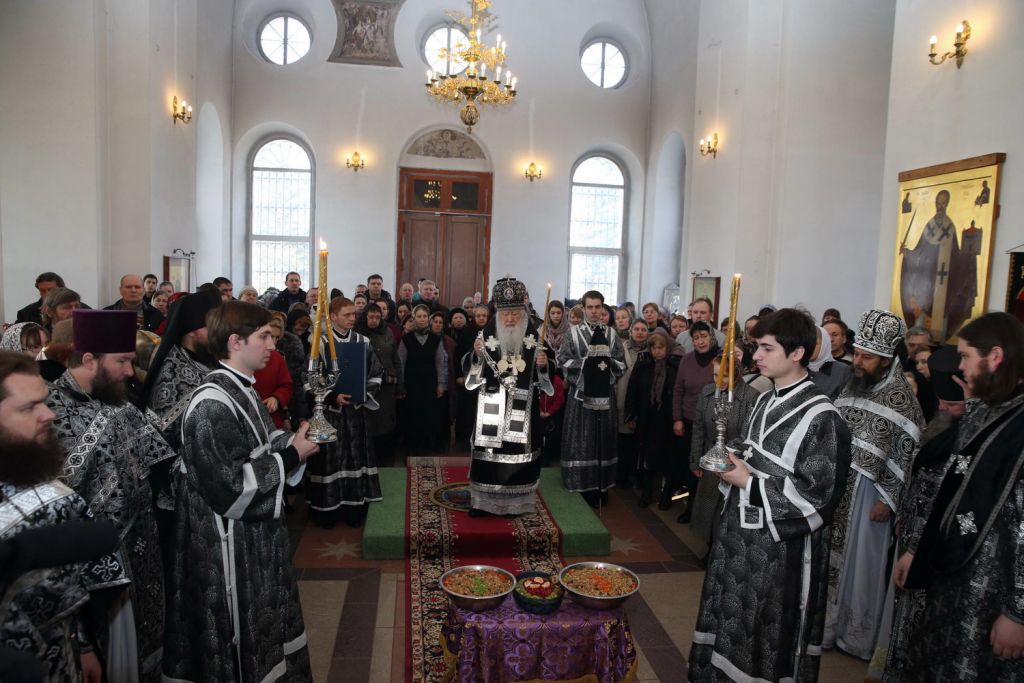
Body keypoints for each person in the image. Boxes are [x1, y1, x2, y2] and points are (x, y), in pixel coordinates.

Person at [689, 308, 852, 682]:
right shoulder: (764, 399)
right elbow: (751, 448)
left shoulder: (823, 418)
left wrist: (747, 482)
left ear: (797, 353)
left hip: (779, 555)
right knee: (730, 621)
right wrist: (731, 457)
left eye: (767, 348)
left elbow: (819, 499)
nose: (757, 356)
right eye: (757, 347)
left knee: (762, 636)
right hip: (739, 541)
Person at [162, 301, 317, 682]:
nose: (272, 346)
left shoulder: (241, 388)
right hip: (227, 545)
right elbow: (230, 487)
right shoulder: (211, 404)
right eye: (264, 337)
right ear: (235, 342)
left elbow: (259, 445)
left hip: (255, 540)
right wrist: (294, 455)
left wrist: (292, 440)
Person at [48, 309, 176, 682]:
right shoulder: (51, 413)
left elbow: (159, 460)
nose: (129, 371)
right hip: (93, 565)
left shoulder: (118, 403)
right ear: (89, 359)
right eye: (121, 361)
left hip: (142, 549)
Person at [898, 313, 1024, 680]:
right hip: (951, 571)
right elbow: (949, 487)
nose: (961, 367)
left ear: (995, 356)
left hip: (995, 590)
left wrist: (1018, 613)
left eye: (966, 356)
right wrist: (916, 549)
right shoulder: (981, 411)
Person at [0, 350, 129, 683]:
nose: (49, 415)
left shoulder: (38, 481)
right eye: (29, 407)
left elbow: (73, 592)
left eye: (44, 402)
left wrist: (83, 646)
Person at [824, 310, 924, 660]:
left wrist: (890, 499)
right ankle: (827, 627)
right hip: (839, 490)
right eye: (858, 354)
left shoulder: (902, 399)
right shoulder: (852, 385)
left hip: (871, 498)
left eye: (867, 358)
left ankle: (855, 636)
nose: (858, 362)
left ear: (886, 359)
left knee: (861, 567)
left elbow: (909, 454)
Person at [869, 345, 965, 681]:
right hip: (910, 532)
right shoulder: (938, 426)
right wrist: (904, 516)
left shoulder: (969, 437)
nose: (943, 407)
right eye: (941, 401)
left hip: (935, 544)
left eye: (951, 403)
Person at [463, 277, 553, 516]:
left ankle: (516, 504)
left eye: (515, 313)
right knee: (489, 452)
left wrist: (543, 365)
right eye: (505, 314)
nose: (510, 318)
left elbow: (548, 374)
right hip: (492, 404)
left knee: (518, 453)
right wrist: (477, 355)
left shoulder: (535, 338)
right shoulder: (485, 336)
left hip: (524, 407)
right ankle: (483, 504)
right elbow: (471, 371)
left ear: (523, 313)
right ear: (497, 314)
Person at [306, 297, 384, 528]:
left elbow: (376, 373)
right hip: (330, 414)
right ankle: (328, 512)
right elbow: (308, 379)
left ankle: (354, 509)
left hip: (356, 413)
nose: (352, 318)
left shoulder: (363, 341)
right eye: (347, 314)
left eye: (354, 314)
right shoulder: (319, 343)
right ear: (333, 317)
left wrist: (362, 392)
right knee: (330, 461)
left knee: (356, 457)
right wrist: (332, 396)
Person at [557, 290, 625, 506]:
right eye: (590, 307)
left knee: (603, 439)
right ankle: (581, 484)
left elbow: (621, 363)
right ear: (584, 308)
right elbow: (563, 360)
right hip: (580, 396)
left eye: (598, 307)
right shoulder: (573, 333)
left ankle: (601, 486)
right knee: (581, 441)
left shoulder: (612, 335)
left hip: (605, 396)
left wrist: (605, 367)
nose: (594, 311)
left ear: (603, 308)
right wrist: (588, 365)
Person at [687, 349, 758, 554]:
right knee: (709, 506)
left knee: (726, 510)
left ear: (737, 374)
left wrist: (729, 453)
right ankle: (709, 547)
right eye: (715, 375)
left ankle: (723, 550)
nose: (719, 381)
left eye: (725, 376)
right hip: (710, 461)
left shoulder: (751, 397)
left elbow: (748, 434)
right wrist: (696, 460)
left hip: (736, 464)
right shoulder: (708, 393)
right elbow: (699, 428)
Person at [899, 189, 980, 340]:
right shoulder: (929, 226)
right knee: (922, 310)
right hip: (926, 283)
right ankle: (919, 339)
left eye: (943, 203)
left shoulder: (949, 227)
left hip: (944, 279)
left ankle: (939, 338)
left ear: (947, 204)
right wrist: (907, 253)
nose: (940, 207)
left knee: (942, 309)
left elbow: (955, 254)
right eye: (938, 203)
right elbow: (920, 250)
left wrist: (969, 257)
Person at [625, 329, 681, 508]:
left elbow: (679, 392)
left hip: (667, 418)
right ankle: (647, 491)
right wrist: (631, 413)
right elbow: (633, 389)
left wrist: (677, 418)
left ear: (667, 347)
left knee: (668, 456)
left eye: (661, 347)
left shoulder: (675, 365)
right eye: (654, 347)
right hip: (647, 417)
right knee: (646, 456)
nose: (657, 351)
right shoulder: (644, 364)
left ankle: (666, 494)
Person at [670, 321, 719, 514]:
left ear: (712, 337)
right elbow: (678, 390)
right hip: (689, 421)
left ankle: (703, 509)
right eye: (696, 338)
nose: (700, 341)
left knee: (707, 468)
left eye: (704, 336)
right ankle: (688, 505)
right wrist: (677, 418)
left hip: (713, 424)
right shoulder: (687, 360)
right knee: (689, 465)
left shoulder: (721, 359)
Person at [357, 303, 402, 465]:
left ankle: (386, 460)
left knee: (386, 423)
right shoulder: (357, 334)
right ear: (365, 317)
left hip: (387, 385)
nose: (374, 320)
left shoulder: (387, 332)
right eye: (371, 317)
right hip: (367, 386)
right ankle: (369, 460)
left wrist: (400, 386)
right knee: (369, 424)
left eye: (377, 317)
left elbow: (396, 359)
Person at [399, 304, 447, 454]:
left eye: (424, 316)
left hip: (430, 384)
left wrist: (441, 384)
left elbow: (440, 363)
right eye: (419, 316)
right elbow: (401, 363)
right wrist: (400, 385)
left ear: (429, 319)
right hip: (411, 384)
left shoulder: (435, 339)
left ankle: (427, 449)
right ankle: (412, 449)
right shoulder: (406, 339)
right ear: (414, 318)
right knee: (413, 416)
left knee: (429, 416)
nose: (422, 319)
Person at [616, 319, 649, 488]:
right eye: (637, 329)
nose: (640, 332)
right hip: (622, 398)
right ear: (631, 331)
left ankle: (636, 476)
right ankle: (622, 475)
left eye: (643, 329)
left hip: (642, 402)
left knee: (639, 443)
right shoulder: (621, 348)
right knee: (623, 441)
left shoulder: (651, 351)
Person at [808, 325, 852, 401]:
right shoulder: (798, 368)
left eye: (815, 343)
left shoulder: (842, 370)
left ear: (824, 344)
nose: (810, 347)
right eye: (807, 344)